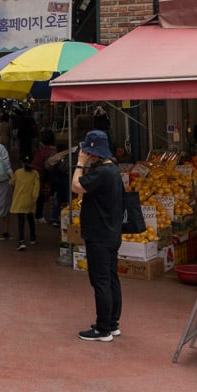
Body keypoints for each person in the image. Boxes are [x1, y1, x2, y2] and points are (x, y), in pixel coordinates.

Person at [72, 129, 123, 342]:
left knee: (100, 280)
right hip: (111, 232)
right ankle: (112, 323)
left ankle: (103, 329)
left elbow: (76, 186)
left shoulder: (101, 172)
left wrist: (80, 164)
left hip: (99, 234)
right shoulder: (113, 170)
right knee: (111, 278)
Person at [9, 154, 40, 250]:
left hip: (19, 200)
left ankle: (21, 240)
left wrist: (10, 176)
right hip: (29, 200)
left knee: (21, 221)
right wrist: (34, 198)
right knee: (30, 219)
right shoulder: (35, 174)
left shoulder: (18, 172)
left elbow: (11, 182)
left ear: (22, 163)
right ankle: (33, 237)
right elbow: (36, 188)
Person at [32, 128, 57, 221]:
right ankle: (39, 215)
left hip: (36, 171)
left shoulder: (42, 149)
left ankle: (37, 214)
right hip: (41, 173)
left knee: (38, 194)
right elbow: (48, 166)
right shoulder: (51, 151)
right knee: (41, 194)